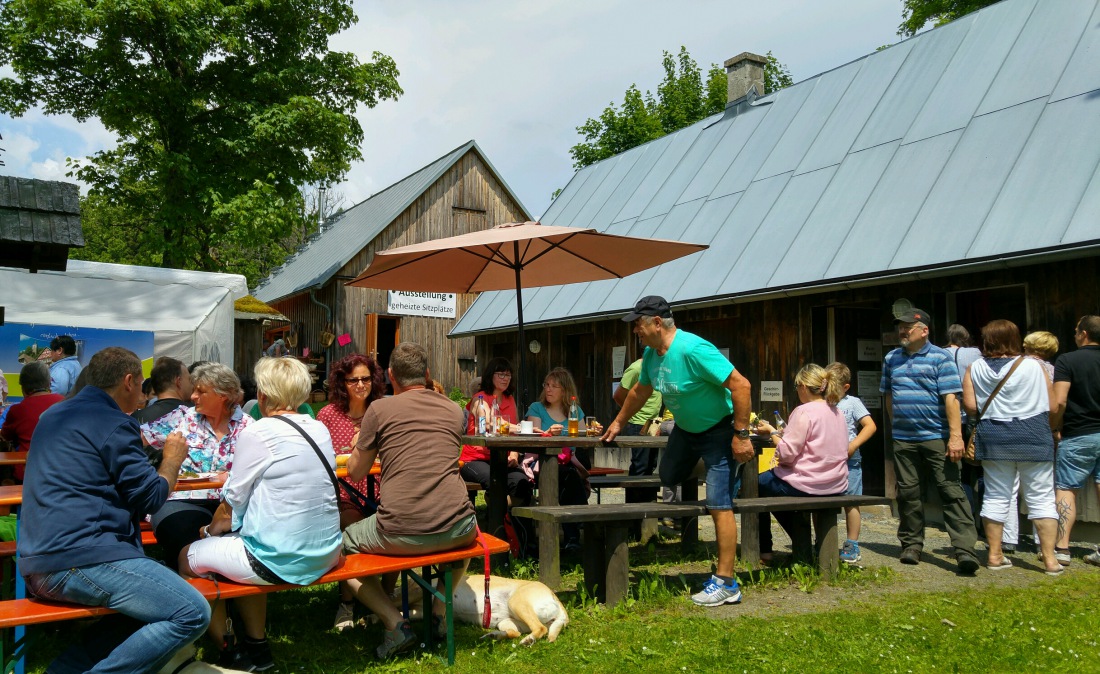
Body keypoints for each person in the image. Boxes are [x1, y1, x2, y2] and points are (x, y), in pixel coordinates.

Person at [17, 347, 210, 672]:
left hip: (37, 561)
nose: (141, 396)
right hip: (81, 559)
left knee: (149, 605)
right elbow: (151, 497)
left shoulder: (52, 416)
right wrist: (172, 459)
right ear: (129, 381)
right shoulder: (113, 422)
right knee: (192, 611)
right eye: (139, 386)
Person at [181, 357, 342, 669]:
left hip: (279, 558)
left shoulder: (260, 432)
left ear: (263, 396)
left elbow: (231, 503)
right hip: (327, 552)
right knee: (241, 546)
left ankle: (230, 647)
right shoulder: (319, 427)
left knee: (188, 557)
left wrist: (207, 533)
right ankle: (258, 645)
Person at [603, 296, 753, 607]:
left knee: (718, 502)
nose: (635, 331)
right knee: (668, 475)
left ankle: (726, 582)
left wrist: (740, 435)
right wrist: (618, 422)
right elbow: (640, 391)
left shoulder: (693, 349)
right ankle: (716, 472)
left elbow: (741, 385)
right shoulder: (651, 355)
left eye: (638, 325)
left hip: (718, 430)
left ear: (657, 323)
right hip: (686, 430)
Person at [342, 342, 478, 660]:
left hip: (400, 530)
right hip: (459, 526)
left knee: (343, 547)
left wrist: (361, 444)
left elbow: (357, 471)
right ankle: (438, 610)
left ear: (390, 377)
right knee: (469, 535)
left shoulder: (379, 410)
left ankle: (394, 622)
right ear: (428, 375)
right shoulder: (456, 411)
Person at [880, 308, 980, 573]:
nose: (902, 331)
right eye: (900, 327)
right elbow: (889, 395)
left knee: (951, 491)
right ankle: (911, 546)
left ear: (924, 330)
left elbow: (951, 398)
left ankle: (964, 550)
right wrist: (895, 426)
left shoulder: (941, 357)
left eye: (907, 327)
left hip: (936, 437)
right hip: (903, 440)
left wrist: (956, 437)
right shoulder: (891, 358)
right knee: (909, 494)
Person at [961, 320, 1063, 574]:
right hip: (1034, 435)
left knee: (996, 495)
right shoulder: (1034, 366)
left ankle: (994, 556)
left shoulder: (975, 368)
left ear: (986, 340)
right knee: (1041, 498)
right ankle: (1050, 560)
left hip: (994, 436)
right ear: (1015, 339)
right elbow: (1053, 406)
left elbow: (971, 406)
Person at [148, 362, 251, 574]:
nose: (193, 396)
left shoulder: (248, 427)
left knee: (239, 549)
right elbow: (139, 436)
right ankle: (198, 589)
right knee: (191, 550)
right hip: (182, 500)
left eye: (200, 391)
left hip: (230, 504)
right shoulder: (183, 418)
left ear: (224, 395)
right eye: (193, 389)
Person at [316, 352, 385, 631]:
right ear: (341, 383)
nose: (360, 385)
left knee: (392, 528)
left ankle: (383, 598)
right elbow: (320, 459)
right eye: (353, 379)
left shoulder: (381, 411)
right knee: (352, 530)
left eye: (365, 379)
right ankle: (347, 602)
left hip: (381, 490)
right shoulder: (328, 415)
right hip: (343, 492)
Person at [753, 364, 849, 559]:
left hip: (808, 483)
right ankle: (801, 542)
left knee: (756, 486)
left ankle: (768, 549)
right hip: (835, 483)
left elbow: (787, 454)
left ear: (804, 386)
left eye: (797, 386)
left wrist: (772, 432)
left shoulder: (804, 411)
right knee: (769, 485)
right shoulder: (837, 412)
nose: (796, 390)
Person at [1051, 315, 1100, 566]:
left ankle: (1061, 549)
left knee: (1066, 489)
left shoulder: (1068, 360)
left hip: (1079, 433)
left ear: (1083, 334)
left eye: (1075, 330)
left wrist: (1054, 426)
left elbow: (1059, 400)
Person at [526, 367, 592, 552]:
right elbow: (535, 436)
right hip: (541, 461)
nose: (548, 389)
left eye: (554, 386)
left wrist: (592, 430)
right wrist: (548, 433)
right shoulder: (536, 408)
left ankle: (574, 534)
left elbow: (580, 437)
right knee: (568, 477)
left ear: (565, 390)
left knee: (567, 476)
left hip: (568, 462)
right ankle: (577, 529)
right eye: (546, 385)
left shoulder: (574, 410)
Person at [459, 358, 531, 506]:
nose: (506, 379)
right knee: (496, 481)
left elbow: (514, 430)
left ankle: (510, 521)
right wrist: (522, 428)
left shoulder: (509, 399)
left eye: (508, 375)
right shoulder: (479, 399)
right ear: (490, 375)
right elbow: (488, 423)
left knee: (523, 483)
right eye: (501, 375)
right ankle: (496, 523)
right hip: (475, 459)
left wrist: (514, 454)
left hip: (501, 458)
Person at [825, 362, 877, 563]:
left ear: (845, 387)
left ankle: (852, 543)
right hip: (826, 459)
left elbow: (870, 426)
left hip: (849, 458)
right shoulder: (823, 403)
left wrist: (853, 445)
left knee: (852, 501)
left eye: (833, 386)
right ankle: (823, 540)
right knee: (823, 500)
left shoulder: (852, 402)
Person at [0, 362, 65, 481]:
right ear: (49, 383)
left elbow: (5, 435)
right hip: (60, 473)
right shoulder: (65, 402)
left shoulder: (17, 410)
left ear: (23, 387)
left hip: (26, 475)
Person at [614, 357, 664, 507]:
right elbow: (618, 395)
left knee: (651, 466)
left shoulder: (659, 368)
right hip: (637, 423)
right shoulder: (636, 368)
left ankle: (649, 507)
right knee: (639, 467)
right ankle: (633, 510)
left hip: (653, 423)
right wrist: (631, 412)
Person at [134, 357, 194, 466]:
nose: (192, 385)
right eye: (189, 380)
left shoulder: (134, 419)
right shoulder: (194, 415)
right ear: (178, 381)